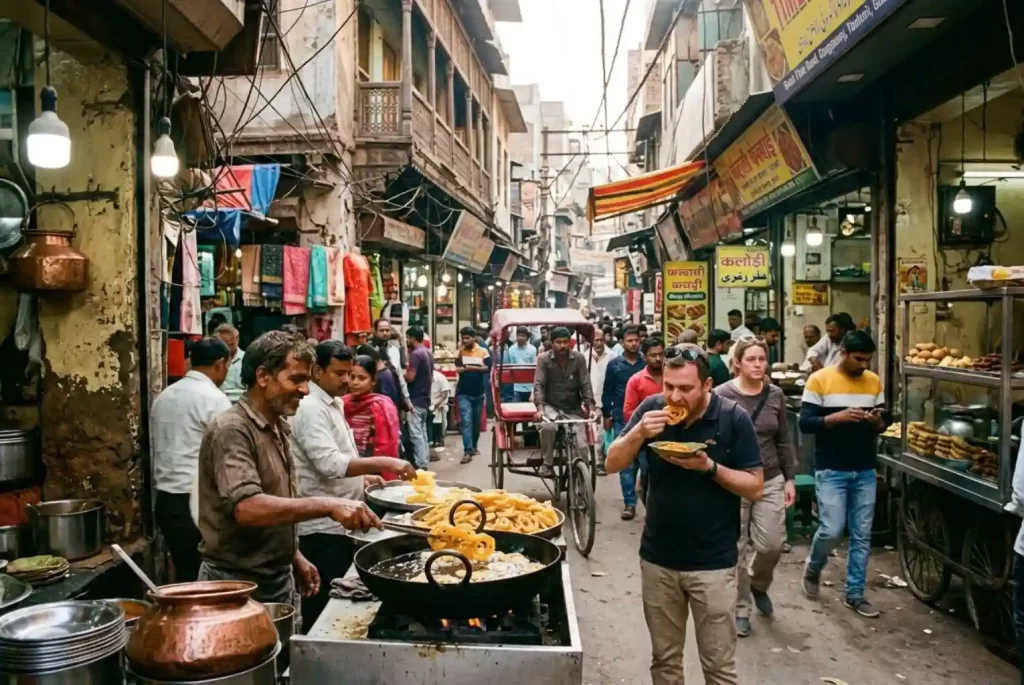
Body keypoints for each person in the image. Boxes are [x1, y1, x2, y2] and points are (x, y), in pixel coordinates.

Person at [606, 344, 764, 685]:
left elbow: (754, 486)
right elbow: (611, 463)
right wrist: (639, 433)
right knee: (664, 662)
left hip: (714, 565)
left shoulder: (732, 418)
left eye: (685, 388)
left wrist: (709, 467)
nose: (674, 397)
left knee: (719, 668)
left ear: (707, 386)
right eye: (669, 386)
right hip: (658, 560)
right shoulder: (653, 409)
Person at [196, 331, 381, 604]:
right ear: (262, 377)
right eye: (296, 379)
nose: (305, 390)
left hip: (275, 576)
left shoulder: (277, 426)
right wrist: (329, 505)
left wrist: (294, 555)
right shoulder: (232, 430)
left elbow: (276, 503)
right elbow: (247, 508)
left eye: (306, 380)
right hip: (236, 586)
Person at [289, 341, 414, 629]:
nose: (346, 380)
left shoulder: (331, 402)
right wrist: (385, 462)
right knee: (322, 607)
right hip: (321, 525)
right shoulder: (309, 407)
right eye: (339, 373)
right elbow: (329, 464)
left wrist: (362, 477)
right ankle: (316, 660)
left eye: (349, 373)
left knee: (337, 599)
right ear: (317, 371)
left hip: (342, 520)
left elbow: (340, 458)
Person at [799, 330, 886, 618]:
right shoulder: (819, 379)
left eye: (868, 360)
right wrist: (837, 417)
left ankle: (855, 594)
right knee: (831, 529)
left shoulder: (873, 381)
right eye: (859, 359)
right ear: (844, 353)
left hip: (864, 468)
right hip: (831, 467)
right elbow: (806, 423)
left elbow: (882, 424)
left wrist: (875, 422)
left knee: (861, 536)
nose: (864, 365)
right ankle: (813, 568)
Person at [715, 338, 796, 638]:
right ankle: (741, 608)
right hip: (734, 479)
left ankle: (758, 583)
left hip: (770, 478)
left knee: (771, 545)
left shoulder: (775, 395)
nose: (758, 364)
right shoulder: (721, 395)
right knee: (735, 548)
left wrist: (789, 479)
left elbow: (784, 440)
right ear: (737, 363)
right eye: (751, 359)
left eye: (762, 359)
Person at [152, 337, 232, 582]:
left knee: (185, 573)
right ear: (220, 363)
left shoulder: (164, 395)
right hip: (196, 502)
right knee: (206, 578)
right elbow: (227, 454)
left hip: (166, 500)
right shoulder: (214, 399)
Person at [534, 327, 594, 479]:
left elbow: (585, 383)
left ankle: (582, 477)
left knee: (581, 446)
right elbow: (539, 385)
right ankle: (547, 464)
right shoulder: (543, 359)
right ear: (552, 343)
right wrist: (540, 408)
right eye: (558, 342)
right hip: (550, 406)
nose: (562, 346)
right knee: (548, 427)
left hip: (573, 407)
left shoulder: (579, 358)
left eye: (565, 342)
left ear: (570, 343)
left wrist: (591, 407)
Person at [620, 336, 666, 517]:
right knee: (642, 470)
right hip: (644, 436)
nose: (658, 359)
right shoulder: (636, 380)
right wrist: (646, 424)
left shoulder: (672, 377)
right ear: (644, 357)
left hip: (671, 436)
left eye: (661, 354)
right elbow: (628, 411)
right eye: (653, 355)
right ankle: (632, 504)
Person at [603, 326, 645, 508]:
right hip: (622, 418)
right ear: (622, 342)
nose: (633, 343)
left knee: (646, 463)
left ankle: (648, 501)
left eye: (636, 340)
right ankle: (629, 503)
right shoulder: (614, 365)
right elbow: (608, 391)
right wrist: (606, 414)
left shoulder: (646, 363)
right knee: (626, 463)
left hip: (645, 418)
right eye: (629, 340)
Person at [343, 355, 403, 472]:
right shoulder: (341, 403)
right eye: (352, 377)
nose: (355, 382)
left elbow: (387, 444)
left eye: (362, 378)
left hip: (375, 466)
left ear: (373, 381)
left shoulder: (382, 406)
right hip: (347, 466)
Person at [454, 326, 490, 464]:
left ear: (474, 338)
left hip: (478, 393)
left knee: (475, 422)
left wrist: (470, 368)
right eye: (463, 338)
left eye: (467, 337)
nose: (465, 340)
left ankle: (474, 446)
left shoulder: (483, 351)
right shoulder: (461, 352)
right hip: (463, 392)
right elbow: (456, 366)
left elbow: (488, 368)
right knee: (466, 422)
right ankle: (467, 451)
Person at [404, 327, 434, 469]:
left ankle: (421, 464)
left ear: (412, 338)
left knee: (416, 433)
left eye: (407, 338)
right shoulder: (428, 353)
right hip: (425, 398)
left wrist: (400, 373)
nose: (406, 341)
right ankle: (424, 460)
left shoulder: (415, 355)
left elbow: (411, 377)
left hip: (415, 398)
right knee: (422, 432)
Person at [589, 329, 613, 476]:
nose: (598, 343)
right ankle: (596, 462)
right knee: (594, 433)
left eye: (601, 340)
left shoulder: (613, 357)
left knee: (603, 433)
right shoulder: (583, 356)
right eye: (595, 340)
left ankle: (600, 461)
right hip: (589, 401)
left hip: (606, 400)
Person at [504, 326, 538, 402]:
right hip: (516, 386)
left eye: (523, 336)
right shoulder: (511, 349)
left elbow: (534, 368)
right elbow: (511, 367)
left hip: (529, 385)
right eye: (518, 335)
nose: (520, 337)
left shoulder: (532, 349)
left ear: (527, 337)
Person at [214, 324, 246, 404]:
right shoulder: (213, 361)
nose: (228, 348)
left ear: (237, 340)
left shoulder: (247, 359)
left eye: (231, 344)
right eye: (224, 344)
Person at [429, 367, 451, 457]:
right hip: (427, 401)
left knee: (441, 422)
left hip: (439, 402)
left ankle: (439, 439)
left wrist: (436, 405)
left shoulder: (440, 377)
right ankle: (430, 441)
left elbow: (444, 395)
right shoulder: (422, 377)